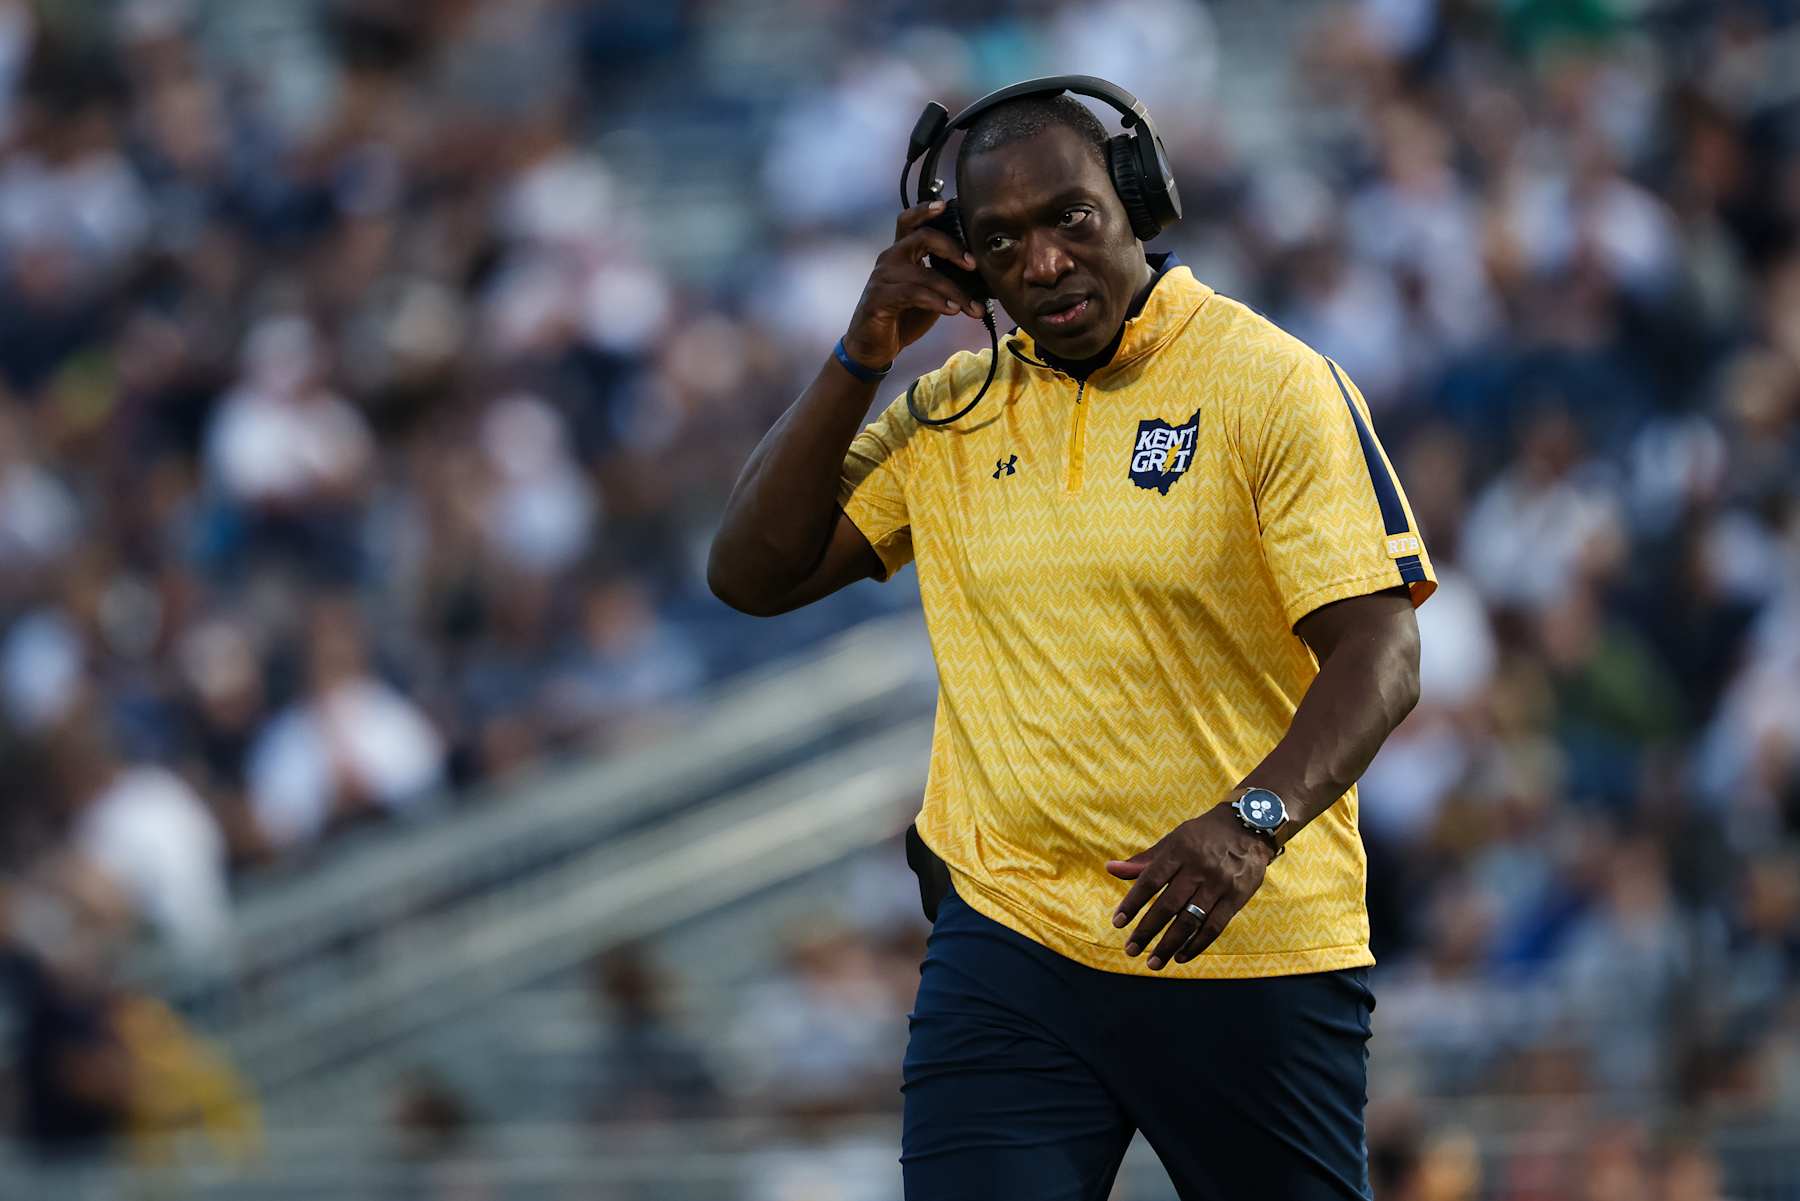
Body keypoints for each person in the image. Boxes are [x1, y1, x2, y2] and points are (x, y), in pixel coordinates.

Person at [710, 79, 1433, 1200]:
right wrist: (862, 351)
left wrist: (1250, 823)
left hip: (1241, 937)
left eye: (1070, 218)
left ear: (1136, 200)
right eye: (1000, 240)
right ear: (961, 260)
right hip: (1008, 941)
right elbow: (749, 573)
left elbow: (1382, 652)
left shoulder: (1271, 382)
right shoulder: (947, 407)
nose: (1041, 261)